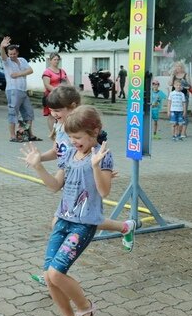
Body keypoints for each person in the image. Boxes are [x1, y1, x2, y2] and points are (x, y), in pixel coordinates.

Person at [21, 105, 134, 316]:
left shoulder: (102, 155)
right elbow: (54, 186)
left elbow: (104, 192)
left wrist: (95, 166)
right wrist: (38, 167)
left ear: (95, 131)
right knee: (48, 275)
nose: (73, 141)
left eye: (78, 137)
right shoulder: (70, 153)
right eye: (71, 137)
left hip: (83, 224)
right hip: (63, 219)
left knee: (56, 273)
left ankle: (85, 308)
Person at [28, 86, 140, 287]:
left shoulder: (86, 130)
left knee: (78, 219)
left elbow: (98, 159)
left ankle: (56, 271)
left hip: (80, 173)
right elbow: (58, 152)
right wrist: (39, 160)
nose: (54, 115)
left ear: (73, 107)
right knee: (80, 218)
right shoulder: (60, 128)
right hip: (69, 171)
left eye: (58, 111)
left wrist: (97, 171)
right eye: (51, 111)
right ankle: (125, 227)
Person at [0, 36, 38, 142]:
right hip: (13, 90)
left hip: (23, 90)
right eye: (10, 54)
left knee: (29, 112)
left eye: (14, 54)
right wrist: (1, 47)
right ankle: (12, 136)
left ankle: (27, 134)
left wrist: (18, 74)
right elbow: (3, 56)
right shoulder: (7, 61)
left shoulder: (22, 60)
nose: (12, 56)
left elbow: (30, 70)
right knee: (13, 112)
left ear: (17, 53)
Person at [42, 52, 69, 137]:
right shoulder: (47, 71)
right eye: (54, 59)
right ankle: (53, 133)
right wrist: (57, 92)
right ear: (50, 60)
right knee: (52, 115)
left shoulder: (62, 71)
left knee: (62, 113)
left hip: (62, 96)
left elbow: (67, 82)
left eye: (58, 60)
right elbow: (47, 85)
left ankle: (62, 131)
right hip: (51, 96)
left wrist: (70, 91)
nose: (56, 61)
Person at [169, 61, 190, 138]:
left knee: (183, 114)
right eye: (177, 66)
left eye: (180, 67)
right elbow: (170, 84)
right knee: (176, 114)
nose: (178, 68)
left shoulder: (185, 75)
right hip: (174, 97)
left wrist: (182, 87)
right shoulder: (174, 75)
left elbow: (189, 86)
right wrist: (172, 75)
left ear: (182, 67)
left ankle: (183, 132)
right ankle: (177, 132)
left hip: (184, 96)